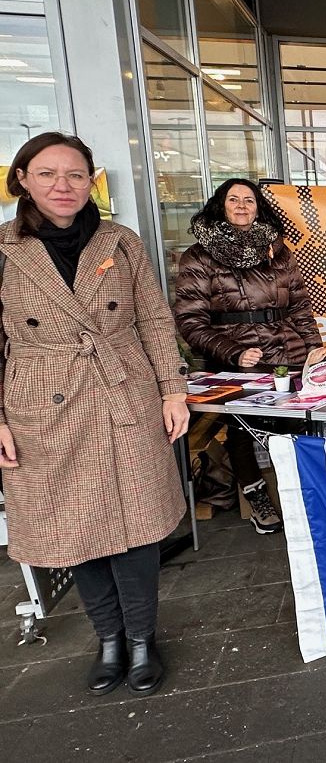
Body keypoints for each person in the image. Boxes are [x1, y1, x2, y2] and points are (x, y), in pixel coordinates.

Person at [0, 132, 190, 697]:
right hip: (42, 403)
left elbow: (154, 321)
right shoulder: (4, 250)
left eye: (77, 174)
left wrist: (171, 390)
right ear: (23, 180)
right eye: (48, 173)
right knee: (73, 528)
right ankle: (108, 637)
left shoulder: (120, 242)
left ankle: (140, 640)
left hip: (122, 393)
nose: (64, 185)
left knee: (136, 527)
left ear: (92, 181)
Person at [173, 178, 322, 534]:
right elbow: (190, 321)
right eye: (233, 199)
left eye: (249, 200)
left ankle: (302, 495)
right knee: (244, 428)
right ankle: (257, 498)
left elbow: (299, 305)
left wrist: (315, 347)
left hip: (288, 350)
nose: (242, 205)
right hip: (235, 357)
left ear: (259, 207)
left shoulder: (278, 250)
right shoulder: (200, 255)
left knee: (296, 424)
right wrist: (234, 353)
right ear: (220, 206)